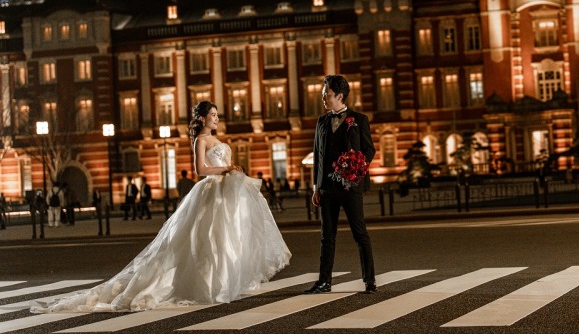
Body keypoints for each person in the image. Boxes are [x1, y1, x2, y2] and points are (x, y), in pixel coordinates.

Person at [32, 100, 290, 313]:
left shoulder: (214, 138)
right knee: (207, 240)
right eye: (211, 115)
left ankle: (224, 282)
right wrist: (226, 168)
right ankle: (212, 285)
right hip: (212, 191)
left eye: (216, 115)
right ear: (201, 119)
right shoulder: (201, 139)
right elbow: (201, 170)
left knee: (226, 238)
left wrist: (231, 170)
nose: (215, 118)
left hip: (226, 192)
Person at [305, 74, 377, 295]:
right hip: (327, 189)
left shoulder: (359, 120)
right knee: (327, 236)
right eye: (323, 94)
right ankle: (324, 282)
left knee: (359, 233)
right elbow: (318, 155)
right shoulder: (322, 121)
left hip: (350, 187)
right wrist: (316, 188)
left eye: (326, 94)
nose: (323, 97)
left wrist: (357, 170)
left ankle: (369, 280)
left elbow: (369, 150)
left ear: (340, 95)